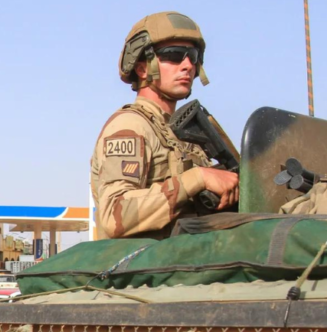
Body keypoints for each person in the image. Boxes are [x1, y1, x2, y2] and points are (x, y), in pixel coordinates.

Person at [90, 11, 239, 240]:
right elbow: (114, 214)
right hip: (143, 271)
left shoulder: (189, 134)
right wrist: (197, 179)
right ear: (142, 68)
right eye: (174, 55)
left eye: (193, 56)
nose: (188, 65)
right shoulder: (131, 126)